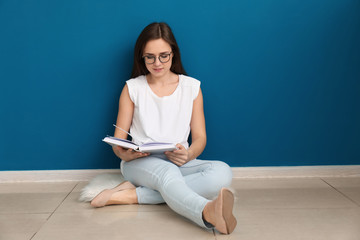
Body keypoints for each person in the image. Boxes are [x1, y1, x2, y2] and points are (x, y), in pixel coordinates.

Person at [91, 22, 237, 234]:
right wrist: (127, 154)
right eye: (149, 57)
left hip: (177, 161)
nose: (157, 63)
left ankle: (131, 195)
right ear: (141, 56)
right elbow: (118, 141)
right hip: (140, 164)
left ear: (173, 54)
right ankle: (206, 211)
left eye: (163, 56)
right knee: (168, 172)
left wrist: (188, 155)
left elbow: (200, 138)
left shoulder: (192, 87)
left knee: (222, 172)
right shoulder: (132, 88)